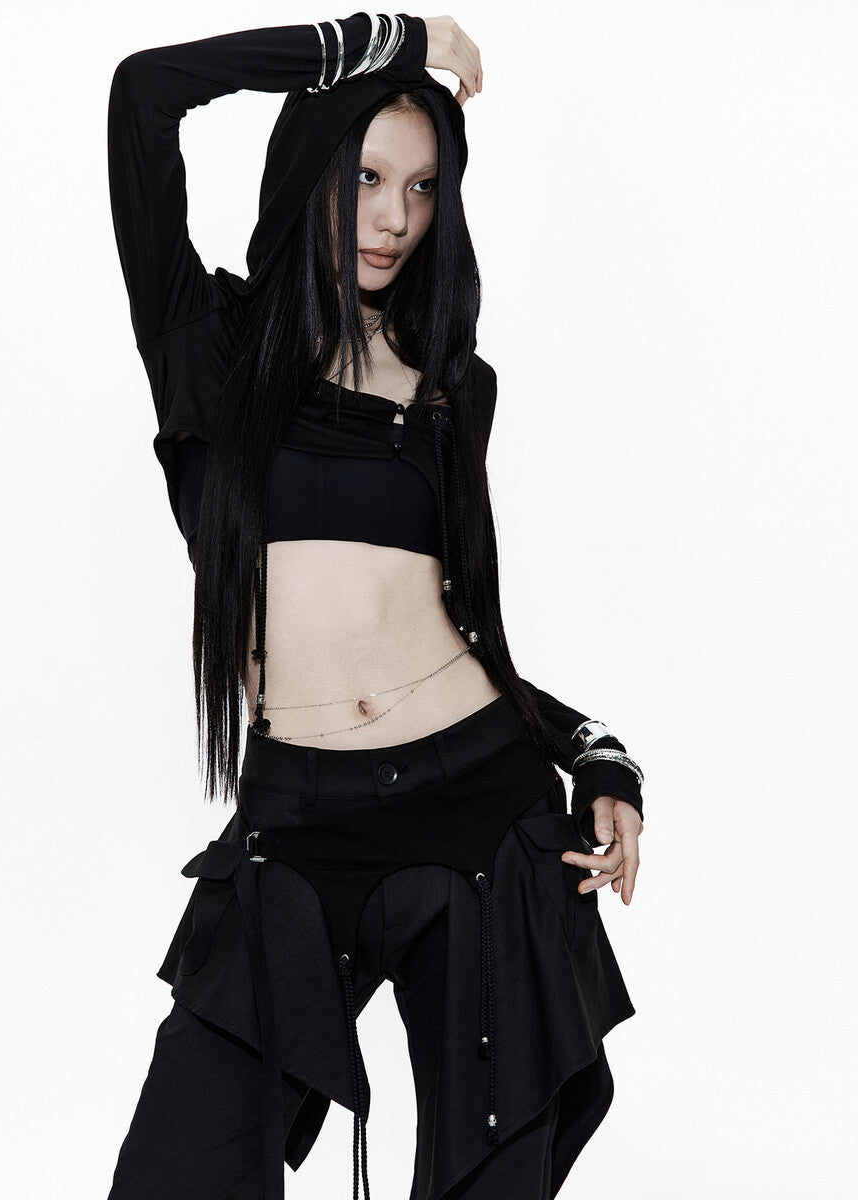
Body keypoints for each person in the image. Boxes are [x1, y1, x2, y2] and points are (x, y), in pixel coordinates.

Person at [104, 12, 646, 1200]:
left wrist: (596, 753)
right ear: (310, 170)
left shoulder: (452, 391)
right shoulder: (209, 345)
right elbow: (145, 90)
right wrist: (392, 37)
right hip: (297, 826)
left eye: (422, 186)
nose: (395, 216)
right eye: (365, 177)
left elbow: (462, 638)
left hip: (481, 816)